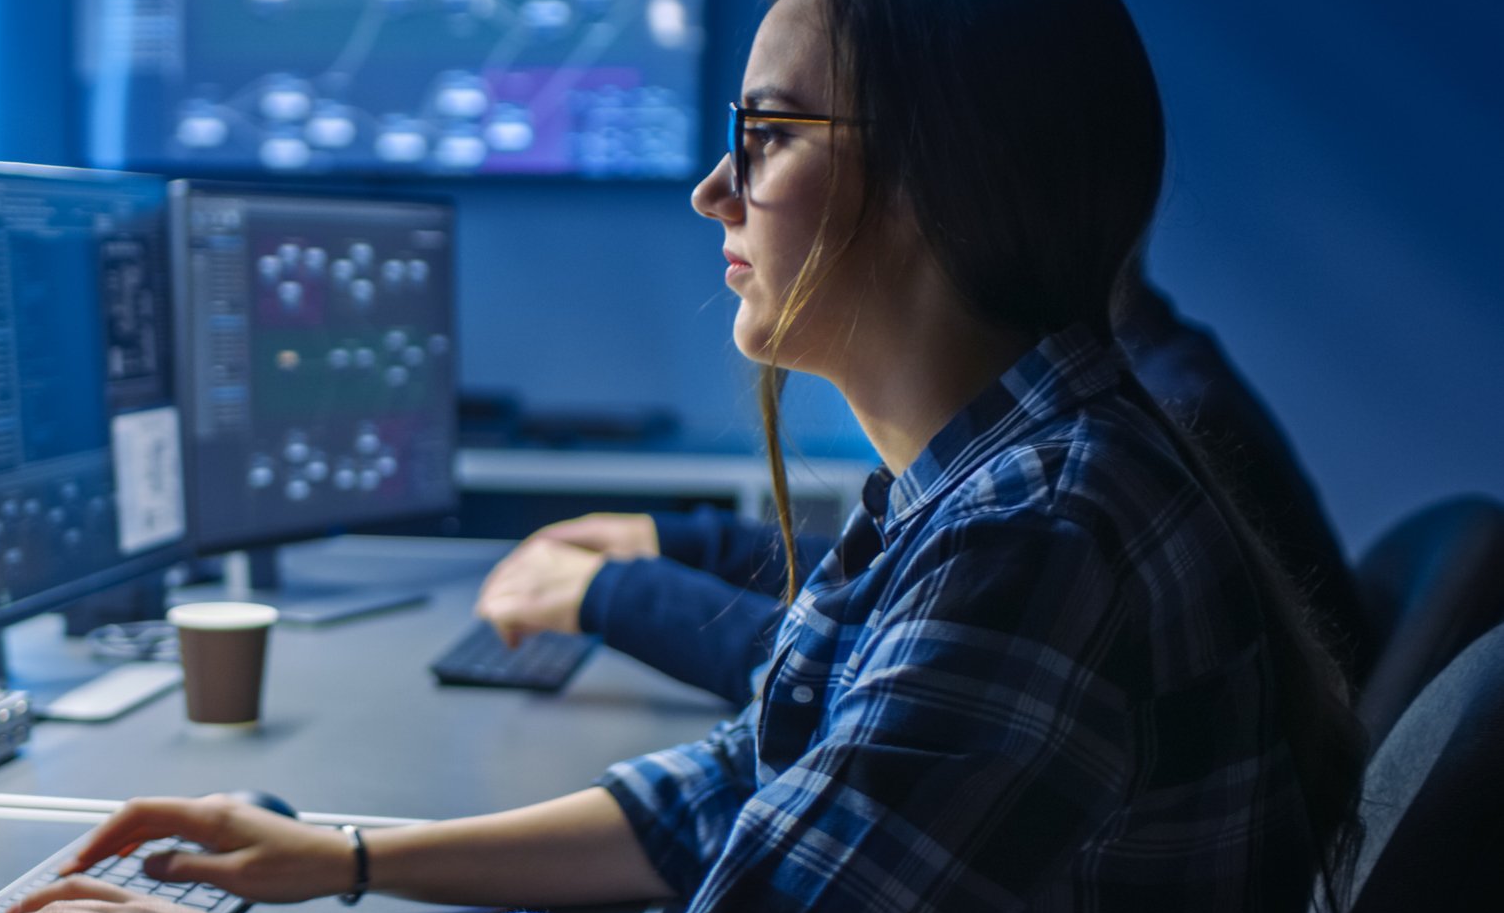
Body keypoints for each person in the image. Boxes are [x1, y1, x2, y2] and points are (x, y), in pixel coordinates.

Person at [0, 0, 1367, 913]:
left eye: (763, 139)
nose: (711, 190)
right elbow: (736, 795)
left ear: (943, 175)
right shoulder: (992, 481)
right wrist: (345, 859)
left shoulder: (1043, 537)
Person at [473, 266, 1374, 705]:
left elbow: (882, 667)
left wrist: (613, 596)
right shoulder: (1120, 384)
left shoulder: (1078, 486)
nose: (719, 193)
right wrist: (681, 545)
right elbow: (897, 592)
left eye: (774, 135)